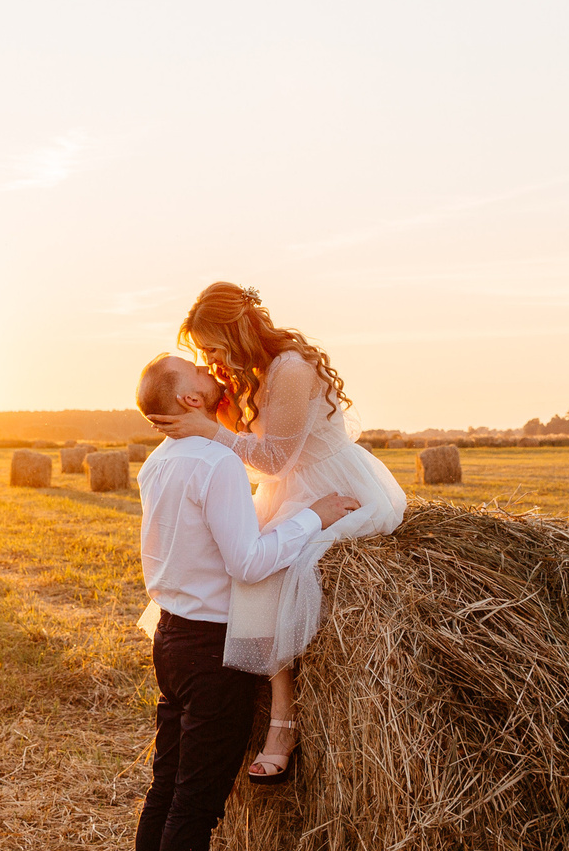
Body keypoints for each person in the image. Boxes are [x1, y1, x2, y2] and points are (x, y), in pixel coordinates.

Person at [125, 351, 361, 851]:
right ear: (190, 400)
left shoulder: (158, 462)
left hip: (172, 636)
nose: (211, 373)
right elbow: (249, 561)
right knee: (194, 808)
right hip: (212, 650)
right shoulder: (217, 463)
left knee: (165, 792)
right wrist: (315, 516)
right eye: (196, 372)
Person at [146, 282, 406, 781]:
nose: (210, 360)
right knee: (247, 577)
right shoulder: (251, 375)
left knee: (271, 581)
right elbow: (250, 450)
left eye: (212, 348)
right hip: (285, 491)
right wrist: (210, 407)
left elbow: (273, 458)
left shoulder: (290, 367)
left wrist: (209, 430)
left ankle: (282, 726)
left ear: (235, 331)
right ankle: (273, 713)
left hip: (328, 484)